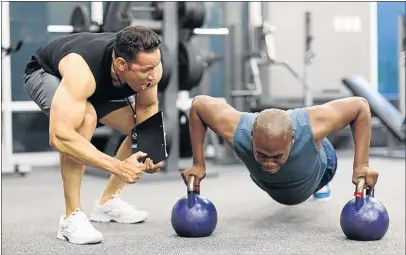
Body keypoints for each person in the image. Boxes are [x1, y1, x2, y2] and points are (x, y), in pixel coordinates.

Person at [23, 26, 164, 244]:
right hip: (46, 73)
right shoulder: (81, 70)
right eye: (147, 70)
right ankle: (71, 218)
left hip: (96, 86)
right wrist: (117, 166)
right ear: (121, 64)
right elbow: (60, 136)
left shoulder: (149, 66)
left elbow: (147, 107)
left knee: (138, 127)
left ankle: (107, 203)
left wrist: (151, 150)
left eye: (156, 66)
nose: (154, 75)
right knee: (84, 120)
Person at [182, 95, 379, 205]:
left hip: (320, 169)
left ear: (292, 140)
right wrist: (198, 164)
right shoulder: (237, 131)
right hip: (272, 185)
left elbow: (360, 106)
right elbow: (198, 105)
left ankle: (320, 184)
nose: (269, 163)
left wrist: (361, 166)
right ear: (251, 136)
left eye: (277, 157)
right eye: (262, 155)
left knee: (318, 147)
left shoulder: (310, 126)